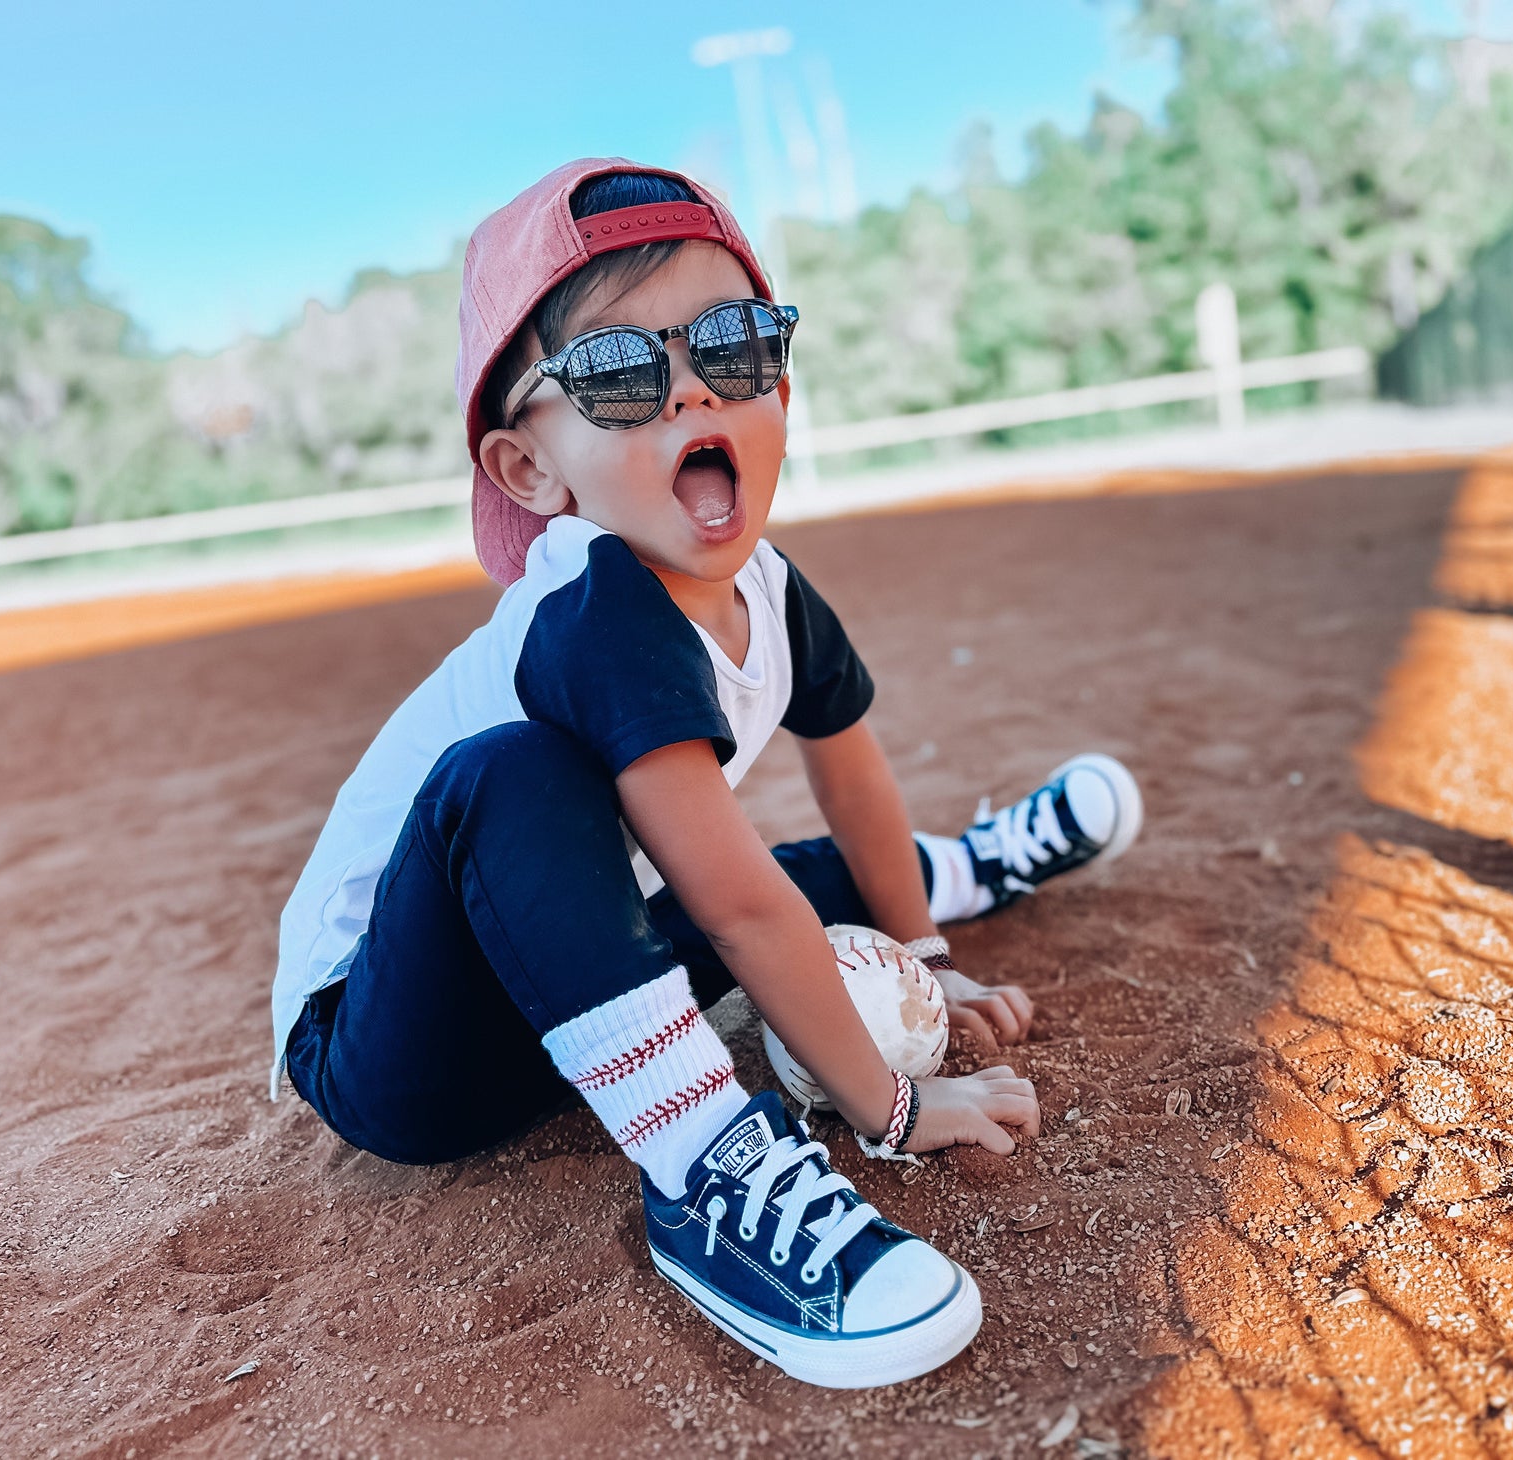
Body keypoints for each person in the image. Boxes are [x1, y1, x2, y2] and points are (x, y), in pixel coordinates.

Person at [271, 158, 1144, 1389]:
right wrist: (893, 1109)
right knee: (518, 775)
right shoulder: (591, 605)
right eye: (618, 371)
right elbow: (735, 913)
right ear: (529, 470)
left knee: (797, 870)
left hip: (562, 1001)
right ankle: (703, 1173)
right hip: (395, 1045)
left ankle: (972, 868)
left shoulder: (770, 590)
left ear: (779, 384)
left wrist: (924, 955)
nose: (689, 389)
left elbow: (850, 779)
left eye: (732, 345)